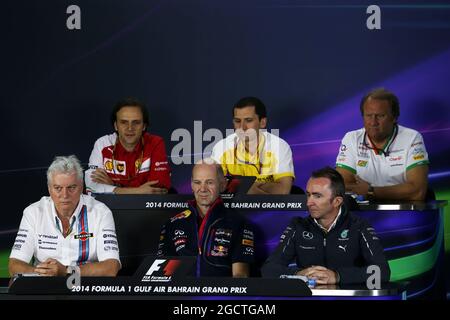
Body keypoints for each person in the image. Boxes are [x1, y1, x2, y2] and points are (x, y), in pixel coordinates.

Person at [261, 167, 390, 285]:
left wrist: (337, 276)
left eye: (317, 196)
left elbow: (382, 271)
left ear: (337, 201)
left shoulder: (359, 227)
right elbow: (269, 269)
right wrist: (298, 274)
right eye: (308, 194)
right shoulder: (298, 226)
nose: (309, 202)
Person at [9, 155, 121, 277]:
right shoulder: (33, 212)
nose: (65, 195)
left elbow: (111, 267)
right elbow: (14, 265)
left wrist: (67, 271)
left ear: (81, 187)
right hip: (45, 288)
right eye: (58, 188)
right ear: (49, 189)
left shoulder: (101, 212)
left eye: (71, 187)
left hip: (85, 288)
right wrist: (45, 274)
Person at [157, 159, 254, 277]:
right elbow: (163, 276)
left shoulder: (239, 224)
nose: (202, 189)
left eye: (209, 182)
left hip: (220, 295)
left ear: (222, 184)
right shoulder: (173, 224)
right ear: (192, 185)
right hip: (183, 295)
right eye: (197, 182)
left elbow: (240, 277)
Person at [336, 88, 429, 201]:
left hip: (404, 211)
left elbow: (417, 191)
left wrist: (370, 190)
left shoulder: (412, 138)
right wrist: (397, 191)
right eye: (368, 115)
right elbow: (342, 187)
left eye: (380, 116)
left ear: (394, 117)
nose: (373, 122)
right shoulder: (351, 138)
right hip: (364, 213)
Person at [85, 97, 171, 194]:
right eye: (124, 122)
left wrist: (113, 186)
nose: (130, 128)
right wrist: (137, 191)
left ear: (144, 126)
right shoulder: (103, 144)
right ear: (116, 126)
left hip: (145, 208)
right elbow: (91, 188)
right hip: (109, 208)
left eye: (136, 122)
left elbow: (158, 189)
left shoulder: (155, 143)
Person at [211, 96, 295, 194]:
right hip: (232, 209)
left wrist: (240, 186)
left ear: (262, 122)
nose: (242, 127)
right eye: (237, 121)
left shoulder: (279, 146)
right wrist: (255, 187)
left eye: (248, 120)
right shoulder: (222, 147)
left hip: (268, 209)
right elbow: (214, 189)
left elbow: (283, 190)